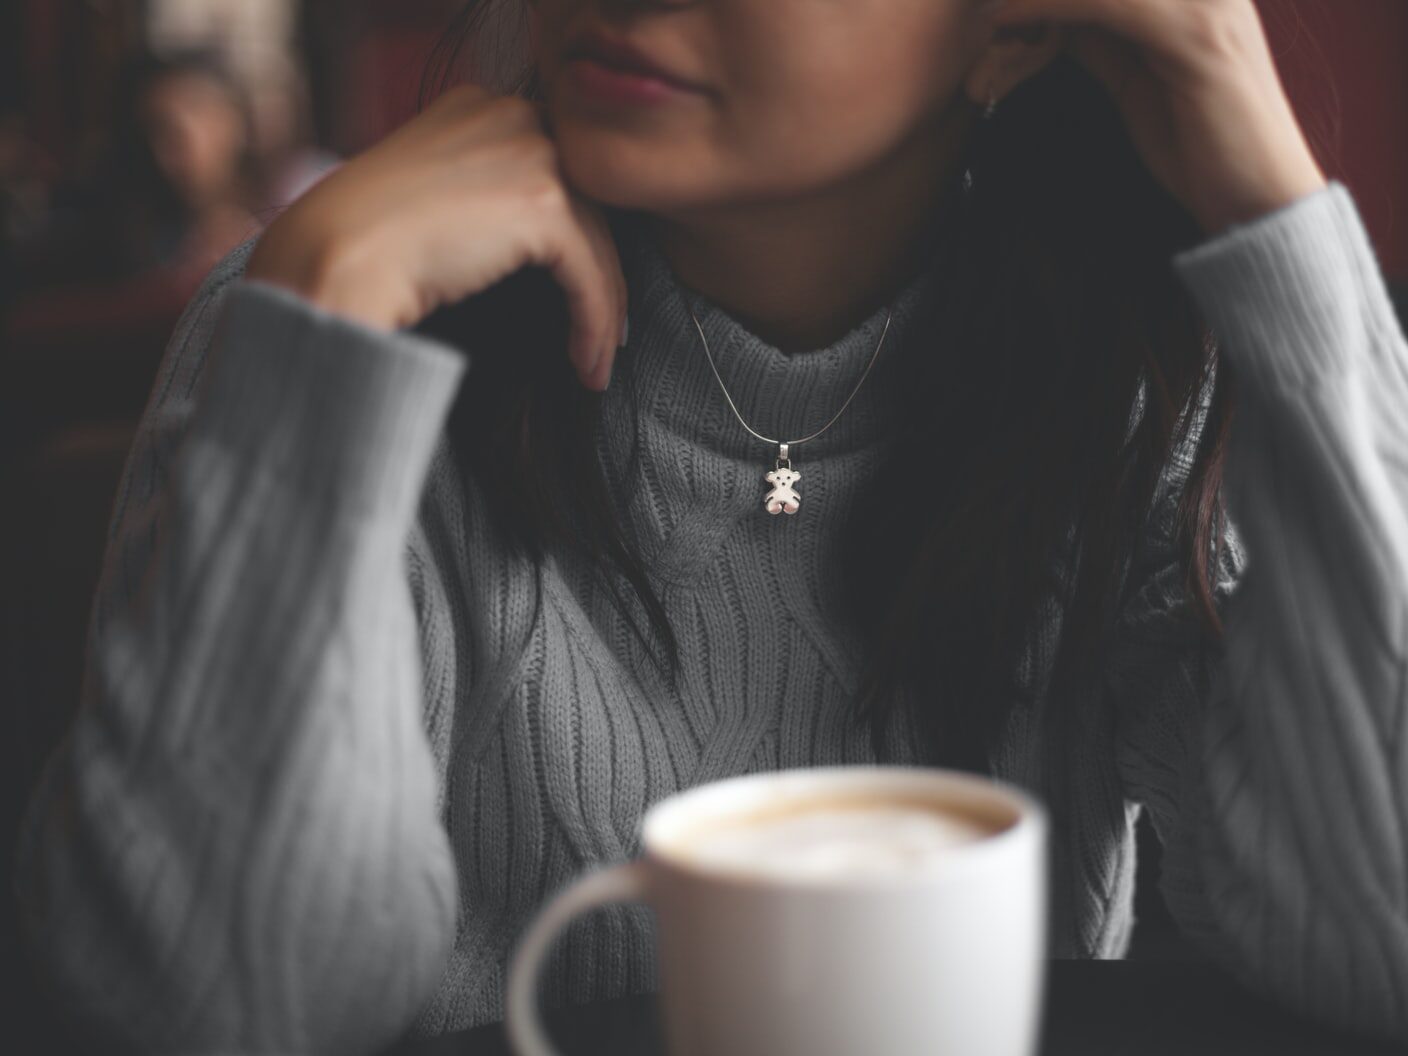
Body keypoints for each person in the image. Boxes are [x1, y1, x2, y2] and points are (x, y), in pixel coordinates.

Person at [13, 1, 1408, 1053]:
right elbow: (201, 1011)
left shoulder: (1129, 378)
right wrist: (313, 344)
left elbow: (1378, 935)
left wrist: (1275, 210)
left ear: (1016, 27)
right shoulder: (335, 314)